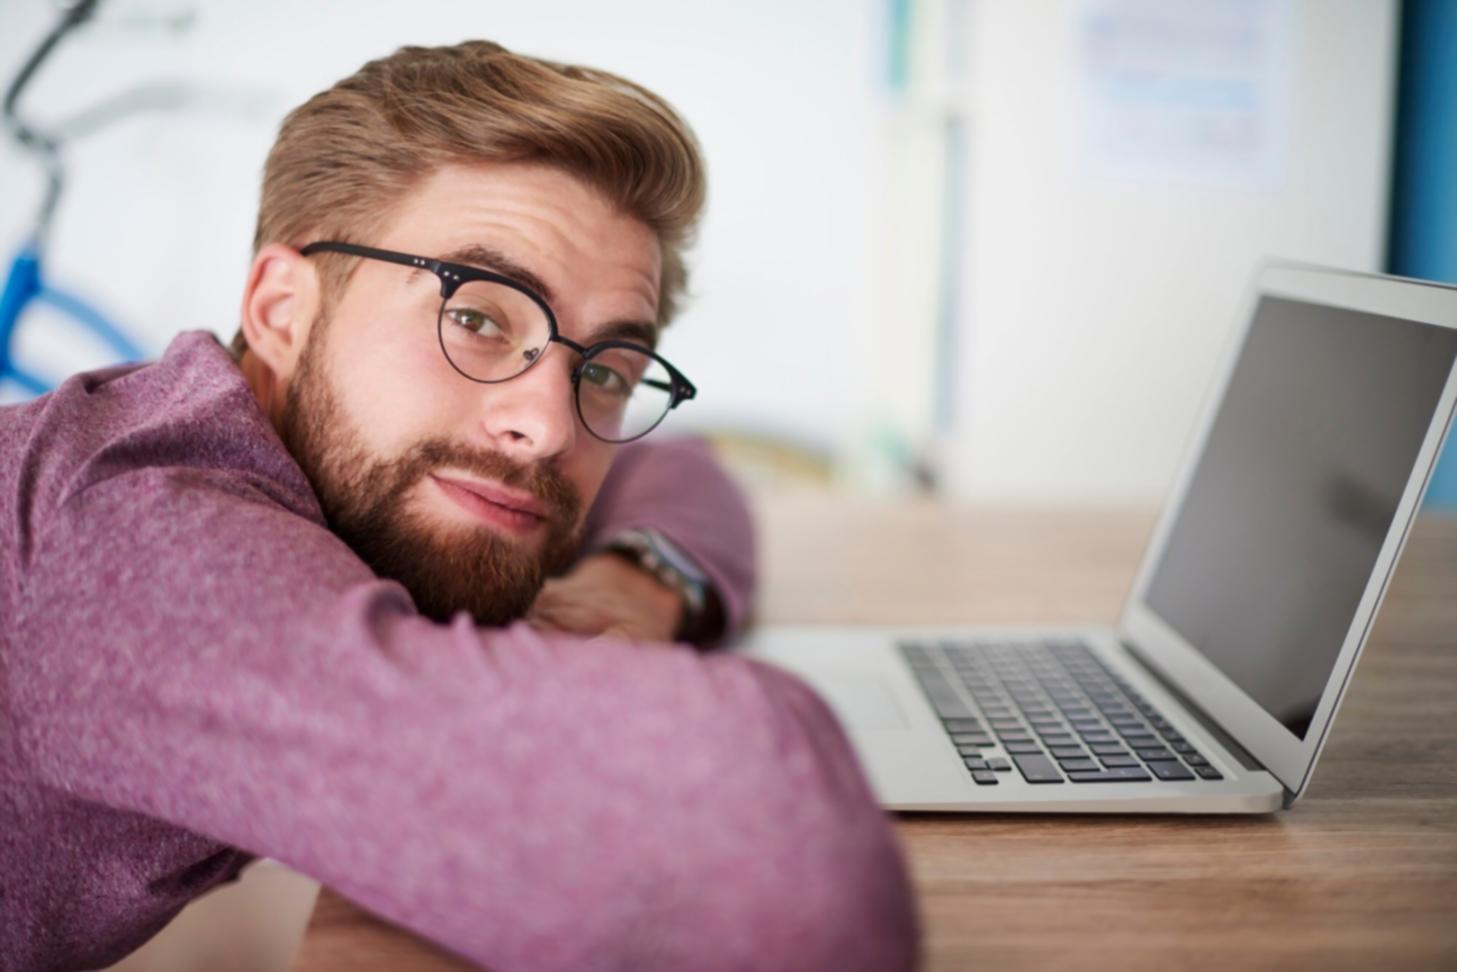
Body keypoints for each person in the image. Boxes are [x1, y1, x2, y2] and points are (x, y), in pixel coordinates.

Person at [0, 41, 918, 971]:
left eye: (605, 370)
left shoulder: (289, 451)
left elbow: (680, 469)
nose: (550, 426)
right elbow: (781, 858)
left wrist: (638, 583)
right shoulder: (139, 549)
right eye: (477, 318)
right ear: (282, 309)